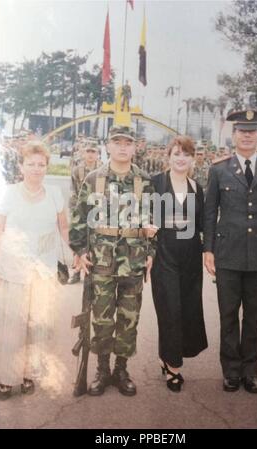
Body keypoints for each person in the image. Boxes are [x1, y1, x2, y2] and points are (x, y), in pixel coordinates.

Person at [204, 109, 257, 394]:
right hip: (228, 254)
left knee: (254, 317)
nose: (247, 136)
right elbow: (209, 212)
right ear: (234, 135)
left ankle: (250, 372)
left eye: (252, 131)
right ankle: (231, 371)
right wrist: (208, 250)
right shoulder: (218, 170)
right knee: (228, 315)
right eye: (242, 131)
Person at [69, 125, 156, 397]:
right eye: (116, 142)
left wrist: (151, 251)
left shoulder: (145, 180)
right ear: (108, 146)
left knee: (129, 318)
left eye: (127, 143)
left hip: (133, 260)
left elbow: (154, 221)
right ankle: (102, 369)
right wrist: (80, 251)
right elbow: (79, 217)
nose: (122, 147)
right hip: (101, 261)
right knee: (102, 319)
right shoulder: (95, 178)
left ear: (135, 147)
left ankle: (121, 369)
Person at [0, 141, 70, 400]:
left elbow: (64, 230)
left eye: (41, 164)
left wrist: (78, 254)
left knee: (37, 328)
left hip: (43, 273)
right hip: (13, 271)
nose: (36, 169)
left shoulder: (55, 194)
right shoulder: (9, 193)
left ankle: (27, 375)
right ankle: (6, 379)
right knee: (12, 327)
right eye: (31, 164)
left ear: (46, 167)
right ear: (21, 166)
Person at [151, 135, 208, 392]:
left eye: (186, 154)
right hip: (164, 255)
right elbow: (144, 218)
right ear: (169, 157)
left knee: (186, 311)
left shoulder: (197, 187)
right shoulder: (156, 183)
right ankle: (173, 367)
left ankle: (168, 358)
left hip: (190, 257)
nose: (181, 158)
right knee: (169, 310)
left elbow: (204, 224)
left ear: (192, 158)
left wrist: (209, 253)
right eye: (176, 154)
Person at [68, 139, 101, 284]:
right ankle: (76, 271)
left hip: (98, 212)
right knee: (78, 241)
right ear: (83, 153)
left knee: (96, 242)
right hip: (81, 211)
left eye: (93, 152)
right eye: (88, 151)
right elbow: (74, 192)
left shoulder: (104, 170)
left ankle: (93, 272)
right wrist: (76, 213)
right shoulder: (77, 171)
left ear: (98, 154)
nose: (90, 155)